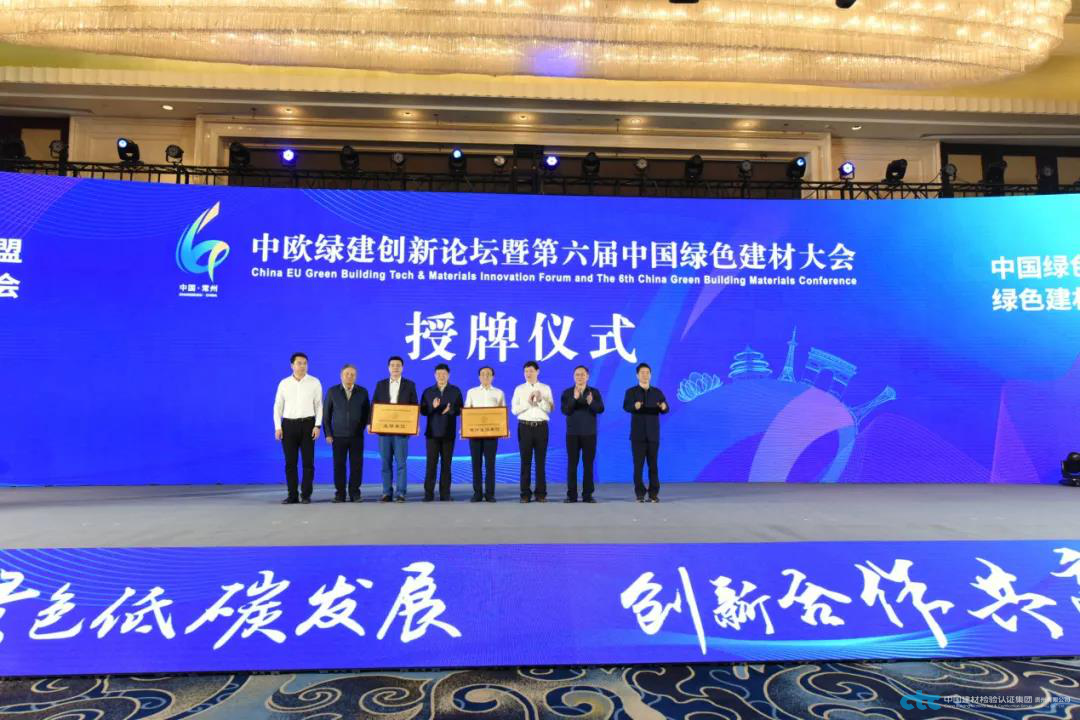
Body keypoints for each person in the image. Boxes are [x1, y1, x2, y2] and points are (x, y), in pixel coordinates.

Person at [273, 352, 322, 505]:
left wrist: (317, 425)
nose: (302, 366)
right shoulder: (284, 383)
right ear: (292, 365)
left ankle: (306, 495)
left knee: (308, 463)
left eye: (305, 363)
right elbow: (278, 406)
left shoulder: (314, 382)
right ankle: (292, 495)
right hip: (288, 426)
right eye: (299, 363)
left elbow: (319, 406)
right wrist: (278, 427)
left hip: (308, 425)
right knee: (290, 463)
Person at [372, 355, 418, 503]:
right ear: (388, 368)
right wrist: (370, 423)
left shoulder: (409, 385)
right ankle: (386, 492)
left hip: (401, 430)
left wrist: (414, 424)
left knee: (401, 463)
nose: (395, 367)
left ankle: (401, 493)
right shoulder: (380, 385)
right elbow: (374, 405)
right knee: (385, 463)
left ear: (402, 368)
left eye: (398, 365)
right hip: (384, 430)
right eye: (392, 365)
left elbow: (414, 406)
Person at [323, 363, 370, 503]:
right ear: (341, 376)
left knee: (356, 465)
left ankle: (355, 493)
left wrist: (362, 428)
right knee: (339, 466)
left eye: (352, 374)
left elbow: (367, 414)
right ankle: (340, 494)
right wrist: (328, 434)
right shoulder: (332, 392)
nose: (349, 376)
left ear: (356, 376)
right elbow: (326, 415)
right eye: (347, 374)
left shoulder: (363, 392)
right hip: (337, 436)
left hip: (357, 436)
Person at [623, 362, 669, 503]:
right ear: (637, 375)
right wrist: (634, 406)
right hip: (637, 436)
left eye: (647, 372)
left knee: (653, 465)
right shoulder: (631, 392)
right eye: (642, 372)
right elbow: (626, 406)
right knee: (638, 466)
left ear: (650, 375)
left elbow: (666, 408)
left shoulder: (657, 392)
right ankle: (640, 494)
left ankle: (653, 494)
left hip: (653, 435)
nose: (645, 375)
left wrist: (664, 407)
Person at [511, 360, 554, 503]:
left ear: (537, 372)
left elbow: (550, 409)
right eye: (526, 371)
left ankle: (541, 493)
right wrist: (528, 403)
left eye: (531, 371)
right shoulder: (519, 389)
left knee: (541, 461)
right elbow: (514, 410)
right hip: (525, 427)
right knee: (525, 461)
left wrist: (540, 400)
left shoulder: (545, 388)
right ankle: (525, 493)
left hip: (541, 427)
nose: (528, 374)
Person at [420, 363, 464, 502]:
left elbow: (460, 410)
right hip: (432, 433)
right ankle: (428, 494)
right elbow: (423, 411)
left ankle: (445, 494)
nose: (441, 376)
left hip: (448, 433)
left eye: (444, 374)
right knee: (431, 464)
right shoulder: (428, 391)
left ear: (448, 375)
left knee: (446, 465)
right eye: (438, 374)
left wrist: (450, 411)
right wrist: (433, 407)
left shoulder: (455, 391)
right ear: (435, 375)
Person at [561, 365, 604, 503]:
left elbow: (600, 409)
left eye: (582, 374)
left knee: (588, 465)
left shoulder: (594, 392)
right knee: (572, 465)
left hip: (589, 433)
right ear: (574, 377)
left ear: (587, 376)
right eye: (577, 375)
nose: (580, 377)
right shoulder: (567, 392)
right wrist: (574, 399)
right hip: (572, 434)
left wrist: (591, 402)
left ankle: (587, 495)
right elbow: (566, 411)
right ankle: (571, 495)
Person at [464, 366, 504, 503]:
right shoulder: (472, 392)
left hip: (492, 434)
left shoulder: (499, 393)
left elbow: (502, 413)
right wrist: (464, 429)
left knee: (490, 464)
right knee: (476, 464)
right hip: (475, 434)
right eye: (483, 374)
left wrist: (504, 429)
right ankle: (477, 493)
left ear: (493, 377)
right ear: (479, 377)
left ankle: (490, 494)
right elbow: (467, 411)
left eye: (488, 374)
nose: (485, 376)